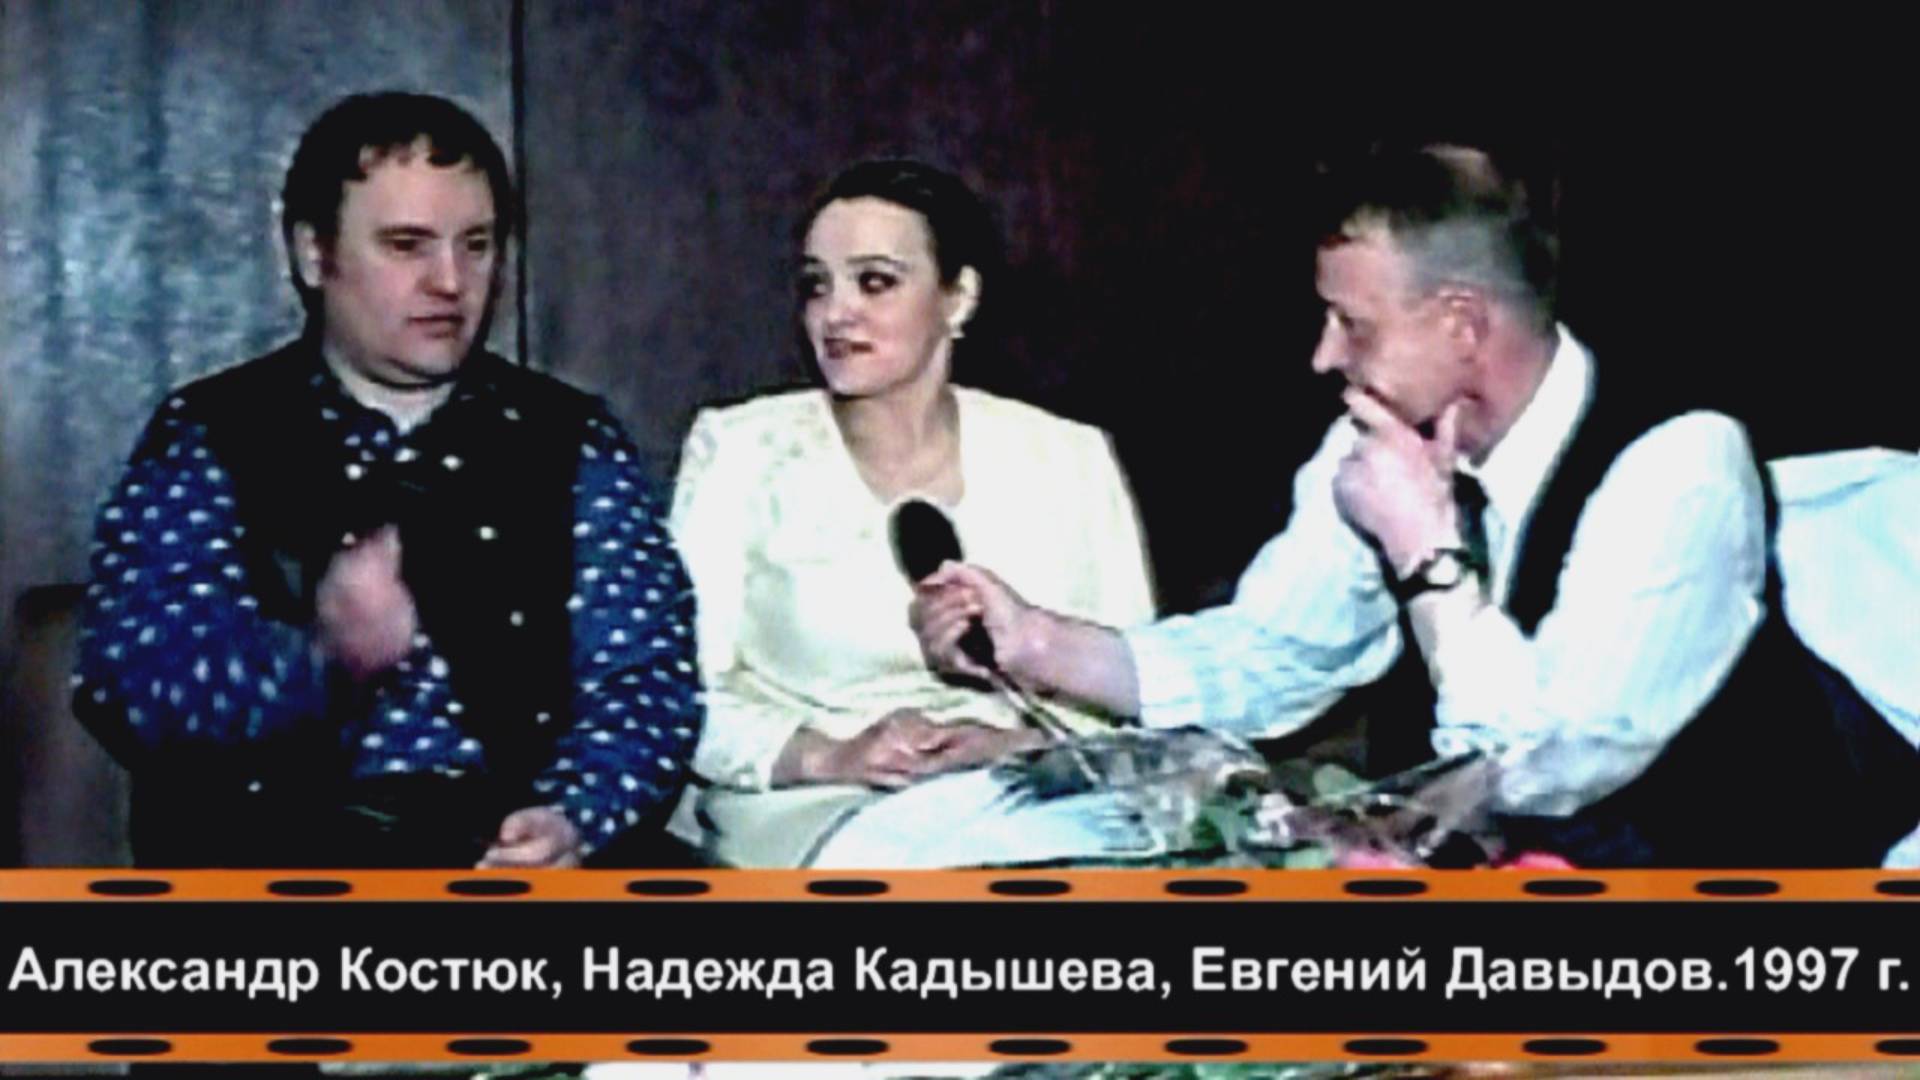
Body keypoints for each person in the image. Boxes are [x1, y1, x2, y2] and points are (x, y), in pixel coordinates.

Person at [913, 143, 1918, 867]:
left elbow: (1545, 769)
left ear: (1462, 326)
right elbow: (1276, 654)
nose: (1324, 356)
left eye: (1351, 323)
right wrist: (1040, 642)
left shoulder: (1680, 465)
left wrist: (1430, 555)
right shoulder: (1380, 433)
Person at [72, 92, 702, 869]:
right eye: (408, 246)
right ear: (314, 253)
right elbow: (129, 687)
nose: (451, 281)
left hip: (517, 863)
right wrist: (319, 659)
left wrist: (575, 817)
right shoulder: (209, 434)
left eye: (477, 245)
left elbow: (646, 680)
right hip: (280, 868)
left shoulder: (572, 439)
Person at [667, 159, 1155, 867]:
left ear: (958, 298)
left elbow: (1135, 694)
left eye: (875, 282)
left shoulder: (1068, 456)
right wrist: (829, 755)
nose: (836, 313)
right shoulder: (740, 450)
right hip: (810, 806)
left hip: (1022, 795)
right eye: (816, 285)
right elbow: (676, 693)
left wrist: (1012, 746)